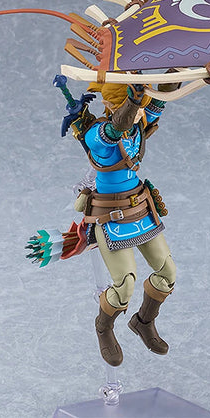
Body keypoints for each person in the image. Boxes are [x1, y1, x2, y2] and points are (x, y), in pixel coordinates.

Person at [73, 80, 178, 367]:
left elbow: (162, 97)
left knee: (167, 273)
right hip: (110, 216)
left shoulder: (137, 125)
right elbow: (115, 128)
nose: (138, 112)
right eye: (130, 106)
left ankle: (144, 321)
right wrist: (132, 103)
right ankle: (103, 327)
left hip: (140, 209)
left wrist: (185, 68)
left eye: (138, 106)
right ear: (109, 105)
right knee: (125, 285)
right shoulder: (98, 135)